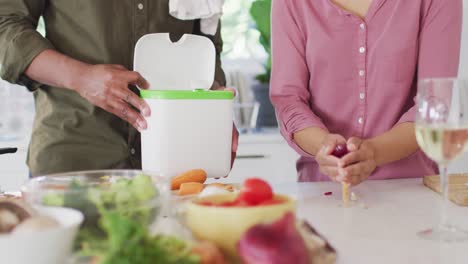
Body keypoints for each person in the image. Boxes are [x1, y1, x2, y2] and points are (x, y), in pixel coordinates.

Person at [0, 0, 238, 176]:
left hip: (176, 161)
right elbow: (4, 26)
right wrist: (81, 77)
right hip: (73, 161)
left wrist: (215, 112)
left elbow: (205, 42)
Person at [270, 0, 462, 185]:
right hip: (322, 193)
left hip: (411, 190)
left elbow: (433, 103)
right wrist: (325, 147)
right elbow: (289, 99)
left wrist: (374, 152)